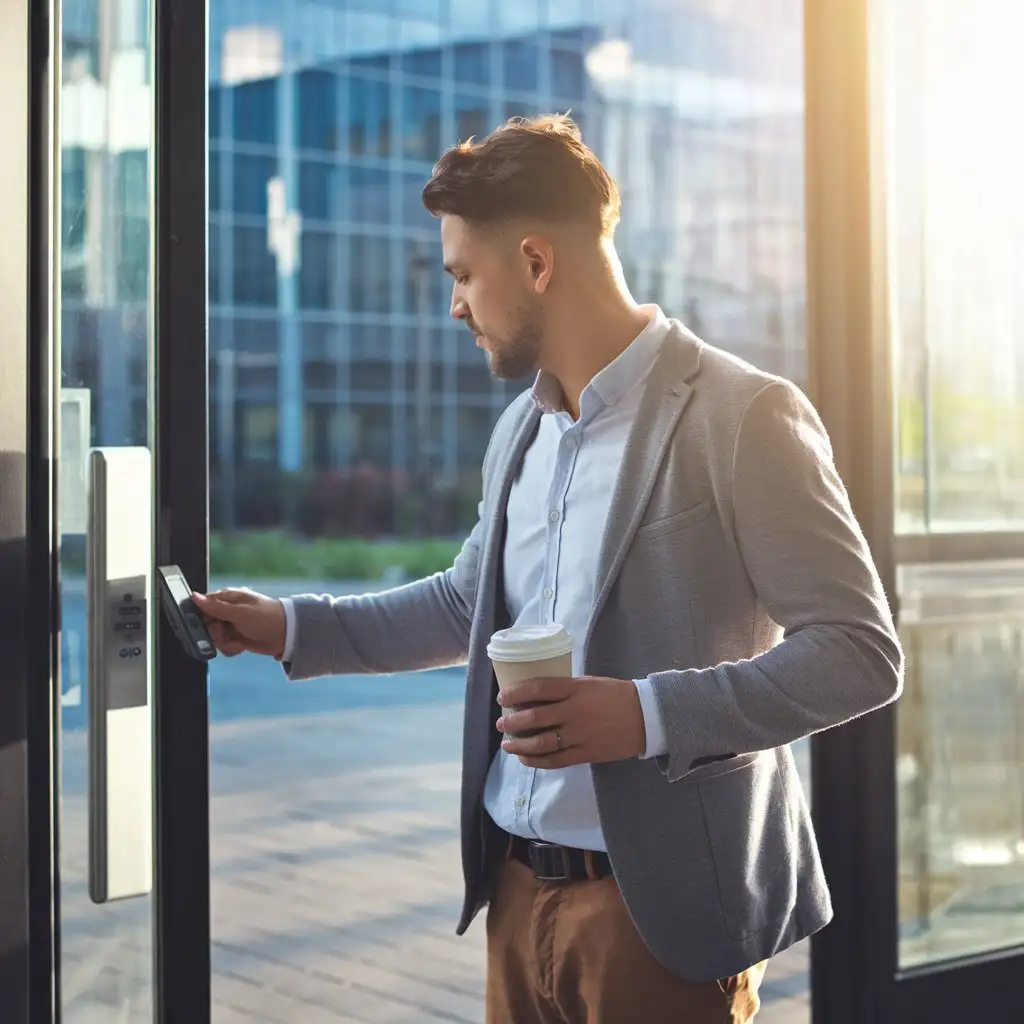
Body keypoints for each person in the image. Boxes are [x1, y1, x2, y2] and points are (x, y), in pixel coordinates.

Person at [193, 114, 903, 1024]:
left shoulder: (745, 416)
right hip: (516, 894)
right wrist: (286, 625)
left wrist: (643, 714)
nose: (454, 305)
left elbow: (858, 651)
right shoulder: (521, 430)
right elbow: (464, 606)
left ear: (536, 263)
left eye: (462, 275)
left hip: (660, 916)